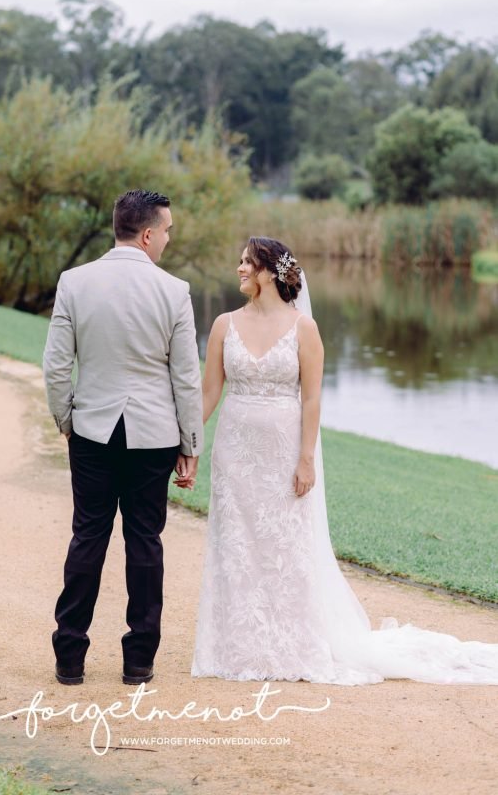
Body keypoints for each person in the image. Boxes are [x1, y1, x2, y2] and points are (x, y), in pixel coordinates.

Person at [191, 236, 498, 685]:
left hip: (282, 453)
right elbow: (209, 392)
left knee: (284, 550)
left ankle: (290, 647)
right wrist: (189, 441)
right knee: (235, 546)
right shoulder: (223, 325)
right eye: (238, 262)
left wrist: (306, 459)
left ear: (269, 272)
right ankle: (236, 648)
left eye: (246, 263)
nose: (238, 270)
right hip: (234, 453)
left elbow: (312, 399)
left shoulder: (303, 329)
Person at [44, 189, 204, 687]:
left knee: (88, 536)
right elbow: (186, 376)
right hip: (154, 435)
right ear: (149, 233)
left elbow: (55, 366)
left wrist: (66, 419)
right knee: (145, 542)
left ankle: (70, 657)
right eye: (168, 231)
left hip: (92, 430)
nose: (169, 240)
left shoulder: (75, 281)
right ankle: (139, 661)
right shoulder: (174, 291)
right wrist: (190, 443)